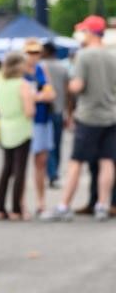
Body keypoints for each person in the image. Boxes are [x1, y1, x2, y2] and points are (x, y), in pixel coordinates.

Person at [44, 15, 116, 221]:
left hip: (88, 116)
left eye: (84, 31)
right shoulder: (112, 55)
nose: (82, 35)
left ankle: (64, 205)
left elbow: (78, 86)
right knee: (107, 161)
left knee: (76, 161)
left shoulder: (84, 56)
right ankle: (103, 205)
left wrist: (66, 84)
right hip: (110, 115)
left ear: (91, 32)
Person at [0, 51, 34, 220]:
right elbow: (29, 110)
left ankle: (0, 207)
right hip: (21, 129)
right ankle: (17, 209)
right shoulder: (22, 84)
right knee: (20, 170)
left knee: (6, 169)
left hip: (4, 128)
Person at [22, 38, 57, 216]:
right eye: (30, 52)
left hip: (42, 120)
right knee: (20, 164)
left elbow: (51, 94)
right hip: (26, 122)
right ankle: (20, 202)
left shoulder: (41, 70)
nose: (34, 56)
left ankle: (40, 201)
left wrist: (35, 96)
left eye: (36, 52)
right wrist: (38, 96)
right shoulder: (19, 71)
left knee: (41, 162)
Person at [39, 40, 69, 188]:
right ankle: (55, 172)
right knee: (57, 144)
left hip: (43, 111)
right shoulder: (63, 67)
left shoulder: (40, 67)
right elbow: (68, 92)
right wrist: (68, 112)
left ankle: (50, 173)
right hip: (58, 110)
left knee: (46, 144)